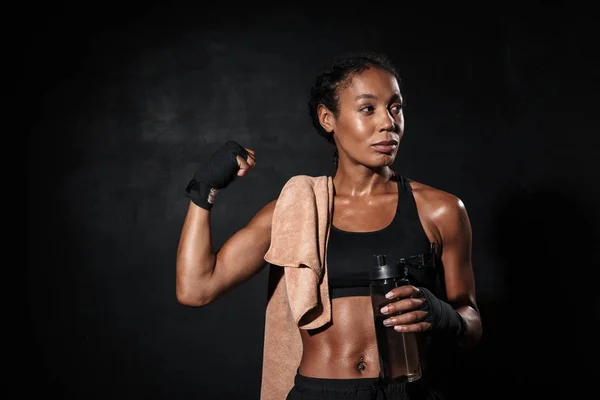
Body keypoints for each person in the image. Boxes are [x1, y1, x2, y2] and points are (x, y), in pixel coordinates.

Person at [176, 51, 482, 400]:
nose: (388, 122)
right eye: (368, 109)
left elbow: (471, 325)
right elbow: (195, 288)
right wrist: (203, 189)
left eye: (395, 107)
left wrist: (443, 314)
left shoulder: (440, 210)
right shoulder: (295, 210)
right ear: (327, 118)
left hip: (410, 392)